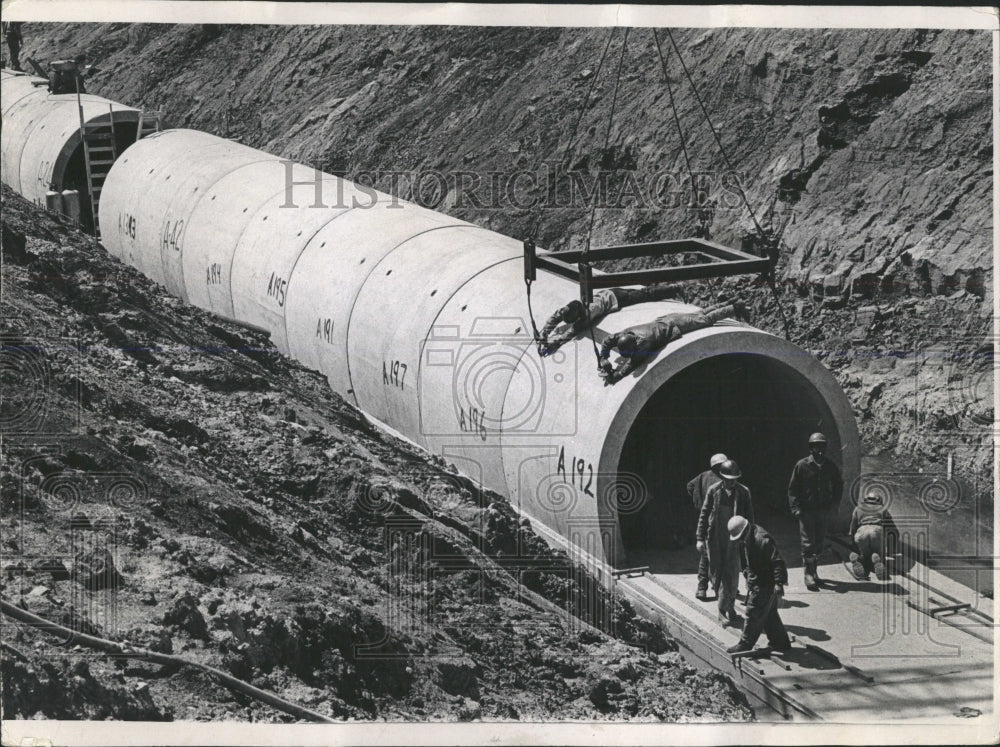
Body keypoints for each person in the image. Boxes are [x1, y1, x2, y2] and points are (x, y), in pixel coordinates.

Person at [597, 300, 750, 385]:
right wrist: (604, 356)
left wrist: (615, 376)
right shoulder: (627, 333)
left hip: (674, 325)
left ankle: (736, 308)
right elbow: (608, 340)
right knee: (700, 314)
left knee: (706, 319)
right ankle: (730, 301)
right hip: (667, 318)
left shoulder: (643, 343)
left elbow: (632, 364)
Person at [537, 283, 684, 357]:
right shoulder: (571, 307)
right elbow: (555, 317)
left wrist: (556, 343)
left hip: (617, 299)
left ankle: (676, 288)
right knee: (642, 292)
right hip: (608, 292)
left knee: (646, 295)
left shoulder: (589, 312)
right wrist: (544, 333)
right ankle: (673, 288)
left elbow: (573, 331)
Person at [696, 459, 754, 627]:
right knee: (718, 574)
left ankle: (730, 608)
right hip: (716, 539)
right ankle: (722, 611)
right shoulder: (713, 491)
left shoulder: (743, 492)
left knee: (733, 575)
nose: (731, 482)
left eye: (734, 479)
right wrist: (700, 538)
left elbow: (750, 517)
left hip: (734, 540)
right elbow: (704, 514)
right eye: (728, 479)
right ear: (722, 477)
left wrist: (750, 539)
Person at [726, 515, 792, 654]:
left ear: (745, 530)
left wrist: (779, 583)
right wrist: (746, 572)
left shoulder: (762, 540)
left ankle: (745, 643)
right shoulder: (747, 537)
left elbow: (777, 562)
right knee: (769, 614)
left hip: (765, 582)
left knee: (753, 612)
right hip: (758, 579)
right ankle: (780, 642)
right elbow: (746, 558)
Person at [787, 432, 844, 591]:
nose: (820, 450)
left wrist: (835, 504)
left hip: (822, 511)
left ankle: (814, 570)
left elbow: (838, 485)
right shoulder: (802, 465)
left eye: (822, 446)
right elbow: (792, 489)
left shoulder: (830, 466)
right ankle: (808, 574)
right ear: (810, 449)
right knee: (808, 544)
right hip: (806, 511)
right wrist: (795, 508)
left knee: (819, 543)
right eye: (816, 447)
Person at [687, 453, 727, 601]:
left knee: (706, 555)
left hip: (707, 519)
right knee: (715, 555)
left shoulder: (704, 476)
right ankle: (714, 587)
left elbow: (690, 486)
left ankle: (702, 587)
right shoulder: (723, 478)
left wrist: (699, 501)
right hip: (715, 522)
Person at [848, 492, 891, 581]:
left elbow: (853, 526)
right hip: (877, 530)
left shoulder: (858, 508)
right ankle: (877, 558)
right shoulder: (883, 508)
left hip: (862, 531)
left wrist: (852, 539)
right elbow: (890, 526)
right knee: (878, 553)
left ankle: (860, 559)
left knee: (864, 553)